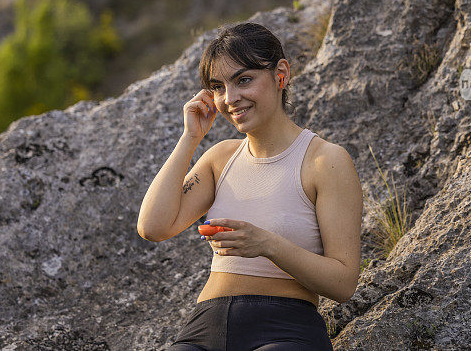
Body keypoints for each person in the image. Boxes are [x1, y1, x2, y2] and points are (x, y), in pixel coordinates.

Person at [137, 22, 363, 350]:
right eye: (218, 87)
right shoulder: (220, 157)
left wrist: (266, 244)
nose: (230, 99)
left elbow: (343, 284)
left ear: (280, 74)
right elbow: (153, 226)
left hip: (284, 329)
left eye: (244, 80)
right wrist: (190, 137)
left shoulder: (325, 160)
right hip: (204, 327)